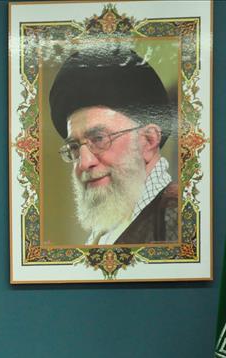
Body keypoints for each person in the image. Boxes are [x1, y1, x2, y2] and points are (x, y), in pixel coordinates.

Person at [48, 46, 179, 246]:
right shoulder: (107, 230)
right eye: (74, 147)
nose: (84, 163)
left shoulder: (178, 220)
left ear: (149, 140)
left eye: (99, 138)